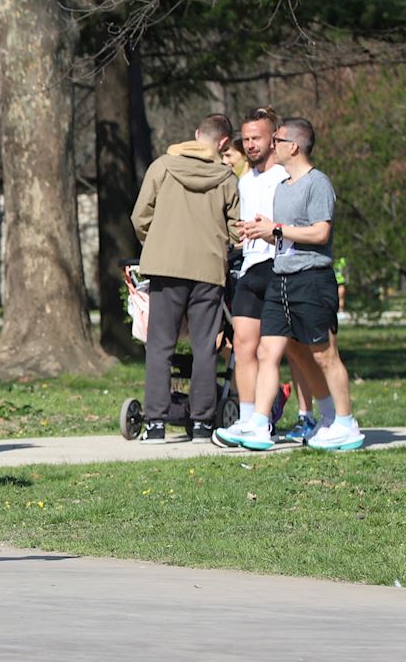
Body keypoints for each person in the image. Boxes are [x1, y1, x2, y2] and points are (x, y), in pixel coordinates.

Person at [218, 117, 366, 451]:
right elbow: (282, 236)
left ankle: (344, 422)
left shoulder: (318, 183)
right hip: (281, 278)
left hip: (311, 278)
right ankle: (257, 423)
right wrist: (261, 231)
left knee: (323, 354)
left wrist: (278, 229)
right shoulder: (283, 188)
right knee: (267, 351)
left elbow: (320, 233)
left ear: (293, 146)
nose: (273, 145)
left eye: (279, 140)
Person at [212, 107, 328, 448]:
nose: (250, 144)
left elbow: (297, 225)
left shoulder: (286, 176)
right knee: (245, 345)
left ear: (273, 137)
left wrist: (270, 231)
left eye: (257, 138)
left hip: (279, 266)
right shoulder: (245, 179)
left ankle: (310, 415)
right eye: (245, 139)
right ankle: (250, 420)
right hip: (250, 268)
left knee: (294, 349)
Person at [131, 114, 240, 442]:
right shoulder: (225, 177)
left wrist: (158, 241)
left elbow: (140, 216)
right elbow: (236, 228)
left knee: (160, 346)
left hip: (166, 267)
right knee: (205, 347)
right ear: (223, 142)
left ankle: (155, 423)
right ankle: (203, 424)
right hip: (208, 270)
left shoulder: (162, 167)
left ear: (196, 135)